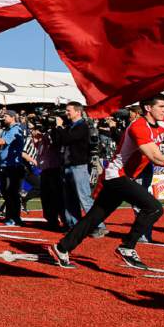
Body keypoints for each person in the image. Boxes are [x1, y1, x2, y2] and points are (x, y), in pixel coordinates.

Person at [50, 94, 164, 271]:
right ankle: (127, 246)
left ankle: (61, 248)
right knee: (154, 208)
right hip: (117, 176)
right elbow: (157, 158)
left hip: (124, 176)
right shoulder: (139, 127)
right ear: (148, 108)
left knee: (94, 218)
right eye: (162, 106)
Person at [51, 102, 107, 237]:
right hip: (68, 165)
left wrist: (59, 127)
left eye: (69, 110)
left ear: (78, 112)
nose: (66, 113)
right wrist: (56, 128)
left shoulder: (82, 126)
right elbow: (57, 140)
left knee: (84, 197)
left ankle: (99, 225)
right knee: (69, 199)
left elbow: (66, 139)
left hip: (79, 165)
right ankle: (73, 225)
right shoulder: (71, 126)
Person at [0, 110, 25, 225]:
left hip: (13, 165)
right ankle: (11, 216)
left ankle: (14, 217)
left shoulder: (15, 129)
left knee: (11, 192)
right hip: (5, 165)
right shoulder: (7, 129)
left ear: (13, 117)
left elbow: (0, 142)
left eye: (6, 116)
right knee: (5, 191)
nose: (3, 118)